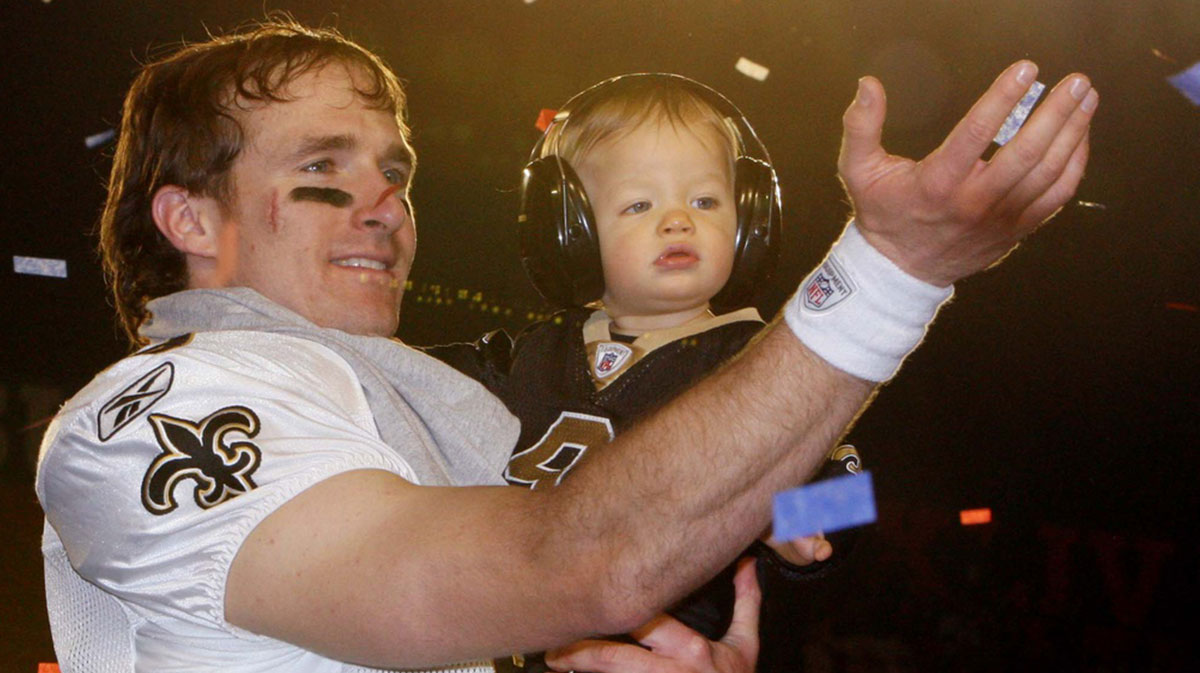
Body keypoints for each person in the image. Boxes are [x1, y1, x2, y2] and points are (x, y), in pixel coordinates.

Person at [34, 18, 1096, 673]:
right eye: (322, 169)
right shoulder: (155, 411)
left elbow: (845, 499)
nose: (383, 207)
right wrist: (892, 274)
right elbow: (572, 560)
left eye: (393, 173)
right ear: (189, 220)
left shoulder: (397, 403)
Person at [427, 73, 861, 668]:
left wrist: (775, 515)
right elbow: (392, 378)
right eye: (639, 204)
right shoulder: (526, 353)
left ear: (750, 219)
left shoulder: (761, 365)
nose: (678, 221)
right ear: (569, 232)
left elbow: (849, 496)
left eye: (705, 201)